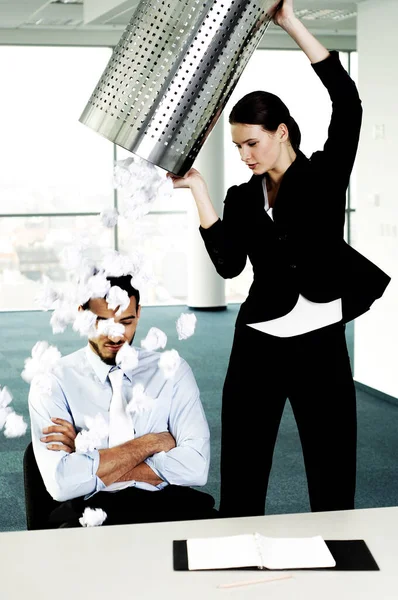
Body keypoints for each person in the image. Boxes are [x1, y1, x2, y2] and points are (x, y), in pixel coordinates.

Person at [170, 0, 391, 518]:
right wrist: (199, 190)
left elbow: (348, 102)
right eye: (238, 146)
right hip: (259, 345)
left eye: (252, 143)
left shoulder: (323, 177)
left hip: (320, 343)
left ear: (282, 132)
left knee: (332, 472)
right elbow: (227, 265)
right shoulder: (242, 198)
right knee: (243, 473)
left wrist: (290, 21)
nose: (246, 155)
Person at [28, 275, 216, 527]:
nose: (116, 336)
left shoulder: (172, 370)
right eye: (103, 323)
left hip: (168, 503)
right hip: (91, 512)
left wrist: (90, 457)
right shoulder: (52, 381)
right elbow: (62, 483)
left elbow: (196, 468)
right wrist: (152, 442)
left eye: (126, 322)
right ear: (82, 313)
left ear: (138, 312)